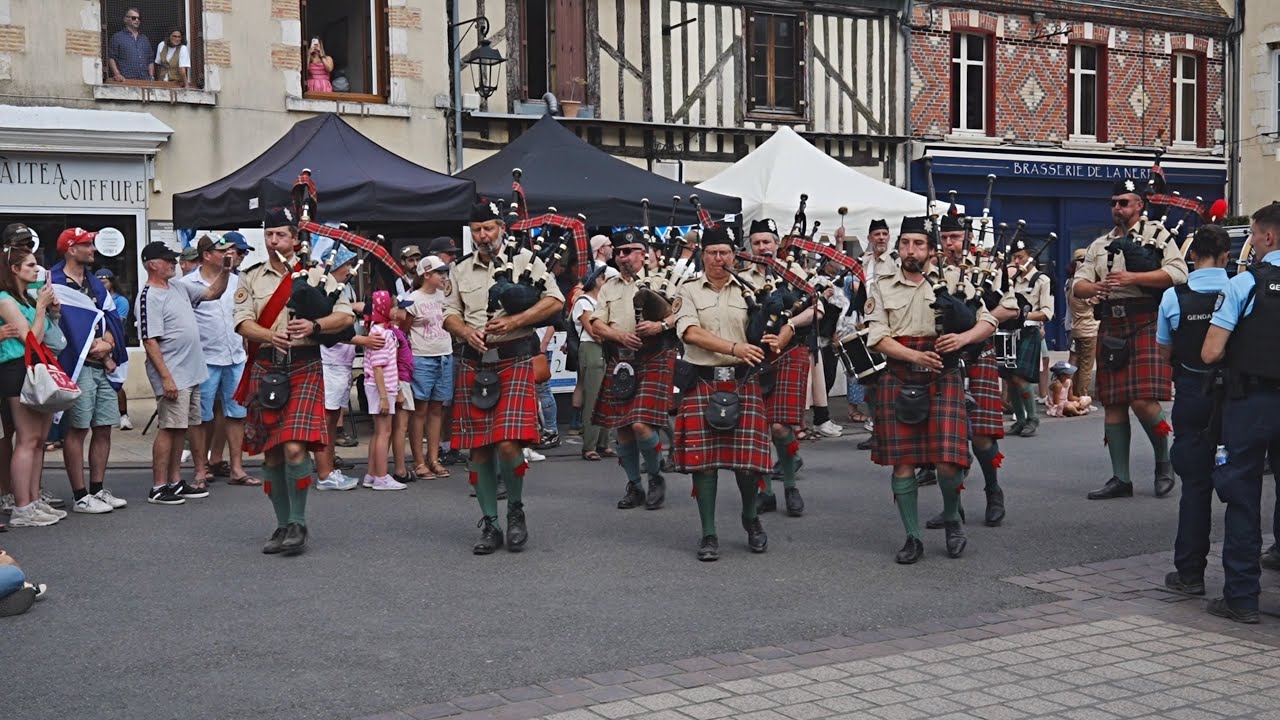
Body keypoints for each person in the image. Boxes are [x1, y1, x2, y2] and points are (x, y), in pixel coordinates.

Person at [865, 216, 996, 564]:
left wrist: (963, 338)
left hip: (944, 377)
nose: (911, 250)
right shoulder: (882, 285)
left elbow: (989, 320)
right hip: (899, 377)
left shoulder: (954, 281)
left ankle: (952, 516)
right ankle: (912, 537)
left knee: (948, 462)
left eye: (918, 244)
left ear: (931, 251)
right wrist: (915, 355)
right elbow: (876, 337)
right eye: (905, 243)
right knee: (903, 463)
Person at [443, 201, 565, 554]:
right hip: (474, 362)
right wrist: (465, 332)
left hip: (513, 358)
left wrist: (514, 321)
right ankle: (490, 524)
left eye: (489, 229)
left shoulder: (527, 261)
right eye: (477, 230)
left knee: (510, 444)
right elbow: (449, 314)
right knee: (479, 451)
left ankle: (514, 510)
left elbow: (555, 301)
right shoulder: (460, 270)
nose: (483, 236)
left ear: (501, 228)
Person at [233, 206, 354, 556]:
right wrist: (269, 337)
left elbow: (344, 317)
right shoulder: (252, 276)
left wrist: (314, 326)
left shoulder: (318, 274)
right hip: (267, 366)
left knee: (295, 447)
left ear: (295, 238)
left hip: (303, 365)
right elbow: (242, 321)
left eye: (280, 235)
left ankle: (298, 523)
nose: (273, 241)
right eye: (269, 235)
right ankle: (281, 523)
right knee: (271, 454)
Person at [1074, 180, 1188, 500]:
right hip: (1111, 322)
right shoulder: (1100, 244)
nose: (1117, 208)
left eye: (1124, 202)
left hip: (1146, 320)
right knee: (1113, 404)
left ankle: (1165, 461)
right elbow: (1079, 284)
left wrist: (1133, 278)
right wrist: (1093, 289)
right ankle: (1120, 479)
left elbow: (1178, 274)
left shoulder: (1158, 236)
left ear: (1139, 205)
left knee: (1142, 401)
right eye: (1114, 202)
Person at [1198, 206, 1280, 624]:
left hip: (1251, 403)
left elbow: (1211, 351)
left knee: (1243, 496)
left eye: (1251, 234)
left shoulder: (1245, 283)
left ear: (1267, 238)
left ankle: (1242, 598)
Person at [671, 226, 771, 560]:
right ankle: (709, 533)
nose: (719, 258)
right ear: (703, 255)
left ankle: (751, 518)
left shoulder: (752, 289)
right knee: (705, 465)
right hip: (703, 379)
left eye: (725, 252)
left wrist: (778, 336)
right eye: (713, 252)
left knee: (746, 465)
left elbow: (775, 323)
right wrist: (734, 347)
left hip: (743, 381)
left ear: (734, 255)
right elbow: (690, 333)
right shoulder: (688, 291)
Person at [1154, 225, 1232, 602]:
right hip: (1236, 395)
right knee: (1244, 487)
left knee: (1195, 485)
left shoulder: (1173, 296)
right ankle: (1240, 577)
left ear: (1192, 256)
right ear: (1226, 256)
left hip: (1190, 391)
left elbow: (1164, 350)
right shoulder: (1240, 288)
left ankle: (1190, 573)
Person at [926, 211, 1014, 529]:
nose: (950, 244)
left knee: (981, 438)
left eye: (956, 238)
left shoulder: (987, 268)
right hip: (944, 359)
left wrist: (978, 317)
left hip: (978, 354)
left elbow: (1011, 306)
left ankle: (993, 490)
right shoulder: (930, 269)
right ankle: (954, 507)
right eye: (946, 238)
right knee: (948, 439)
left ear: (968, 239)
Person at [589, 229, 678, 509]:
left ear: (643, 253)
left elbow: (683, 313)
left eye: (629, 251)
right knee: (623, 429)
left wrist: (659, 325)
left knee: (641, 424)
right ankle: (635, 486)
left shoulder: (661, 281)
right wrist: (618, 336)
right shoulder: (609, 286)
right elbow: (595, 323)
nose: (623, 256)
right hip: (621, 359)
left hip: (654, 356)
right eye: (619, 251)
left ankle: (655, 477)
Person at [737, 219, 818, 516]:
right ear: (751, 247)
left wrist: (790, 327)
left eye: (767, 242)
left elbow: (817, 307)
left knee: (780, 426)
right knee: (758, 428)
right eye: (757, 243)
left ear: (776, 243)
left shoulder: (794, 272)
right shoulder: (739, 277)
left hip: (790, 351)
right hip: (755, 355)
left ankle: (791, 485)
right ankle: (765, 492)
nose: (762, 247)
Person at [139, 241, 229, 504]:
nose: (173, 263)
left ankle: (176, 481)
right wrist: (166, 377)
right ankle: (158, 486)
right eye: (167, 260)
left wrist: (225, 270)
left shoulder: (178, 287)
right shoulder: (149, 296)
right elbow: (149, 341)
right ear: (152, 264)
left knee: (182, 428)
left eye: (173, 259)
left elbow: (213, 293)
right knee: (168, 428)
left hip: (191, 371)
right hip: (174, 373)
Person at [52, 228, 129, 516]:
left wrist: (108, 341)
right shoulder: (54, 280)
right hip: (77, 366)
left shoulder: (95, 283)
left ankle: (97, 488)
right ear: (71, 249)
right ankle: (80, 494)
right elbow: (58, 325)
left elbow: (110, 317)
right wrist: (88, 344)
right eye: (87, 244)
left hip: (102, 365)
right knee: (77, 428)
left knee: (104, 427)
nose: (93, 249)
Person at [182, 235, 257, 489]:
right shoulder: (187, 284)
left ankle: (236, 468)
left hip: (235, 356)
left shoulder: (239, 281)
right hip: (204, 359)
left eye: (231, 251)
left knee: (236, 414)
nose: (230, 254)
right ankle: (201, 470)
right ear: (207, 255)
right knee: (201, 418)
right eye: (223, 250)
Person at [0, 250, 61, 527]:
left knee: (39, 440)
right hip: (16, 369)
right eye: (31, 265)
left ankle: (34, 500)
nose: (38, 270)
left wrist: (52, 312)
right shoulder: (5, 299)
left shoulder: (27, 298)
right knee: (26, 439)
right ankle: (22, 507)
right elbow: (32, 339)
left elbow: (49, 335)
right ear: (14, 268)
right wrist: (40, 309)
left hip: (38, 369)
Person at [314, 243, 367, 491]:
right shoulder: (325, 292)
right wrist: (362, 340)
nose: (349, 269)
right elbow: (334, 330)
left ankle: (329, 464)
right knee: (327, 417)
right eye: (345, 264)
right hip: (330, 361)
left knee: (334, 416)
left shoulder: (343, 290)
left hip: (342, 362)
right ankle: (324, 472)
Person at [406, 255, 455, 478]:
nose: (444, 277)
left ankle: (433, 458)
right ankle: (418, 460)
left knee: (437, 408)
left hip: (445, 354)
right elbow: (404, 328)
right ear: (426, 274)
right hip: (422, 356)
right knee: (420, 410)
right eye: (439, 273)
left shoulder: (446, 296)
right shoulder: (412, 298)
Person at [1001, 239, 1055, 438]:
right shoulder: (1010, 278)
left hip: (1028, 331)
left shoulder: (1041, 280)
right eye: (1014, 257)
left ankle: (1033, 418)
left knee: (1020, 377)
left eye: (1020, 257)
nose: (1016, 261)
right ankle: (1020, 419)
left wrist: (1022, 315)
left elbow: (1047, 313)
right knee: (1009, 377)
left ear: (1030, 257)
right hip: (1008, 332)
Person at [361, 291, 407, 491]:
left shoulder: (377, 330)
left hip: (383, 387)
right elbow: (378, 367)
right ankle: (381, 476)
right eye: (393, 306)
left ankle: (372, 474)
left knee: (379, 432)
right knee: (384, 432)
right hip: (381, 388)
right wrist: (384, 397)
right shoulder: (381, 333)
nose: (396, 310)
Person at [856, 218, 895, 451]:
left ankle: (892, 430)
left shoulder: (896, 261)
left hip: (891, 326)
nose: (881, 237)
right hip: (868, 324)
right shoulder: (865, 263)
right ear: (870, 238)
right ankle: (877, 430)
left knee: (890, 382)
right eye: (877, 234)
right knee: (870, 382)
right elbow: (863, 294)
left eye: (884, 233)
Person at [573, 264, 612, 461]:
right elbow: (594, 331)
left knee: (608, 396)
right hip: (592, 347)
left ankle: (603, 442)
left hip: (606, 347)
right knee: (594, 396)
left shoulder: (602, 301)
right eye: (604, 277)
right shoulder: (584, 301)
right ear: (596, 280)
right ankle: (590, 445)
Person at [95, 268, 134, 431]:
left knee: (116, 383)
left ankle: (123, 415)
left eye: (104, 282)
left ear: (111, 282)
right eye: (99, 283)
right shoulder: (93, 298)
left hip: (115, 345)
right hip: (97, 346)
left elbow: (116, 324)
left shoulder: (121, 301)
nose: (102, 286)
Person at [1066, 247, 1100, 400]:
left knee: (1076, 363)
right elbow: (1096, 300)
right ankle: (1083, 396)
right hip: (1088, 330)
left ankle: (1071, 394)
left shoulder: (1070, 283)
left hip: (1076, 328)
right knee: (1086, 366)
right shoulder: (1082, 287)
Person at [108, 7, 153, 82]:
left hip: (145, 80)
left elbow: (150, 59)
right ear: (125, 19)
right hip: (126, 80)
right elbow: (111, 58)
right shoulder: (117, 37)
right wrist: (117, 74)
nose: (137, 20)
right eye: (133, 18)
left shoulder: (144, 39)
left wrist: (151, 76)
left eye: (139, 18)